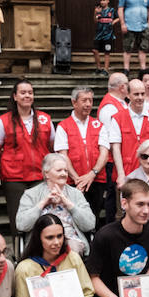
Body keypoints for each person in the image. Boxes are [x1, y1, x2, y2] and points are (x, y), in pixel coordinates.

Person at [0, 79, 53, 239]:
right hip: (14, 177)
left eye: (30, 93)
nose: (27, 96)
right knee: (18, 218)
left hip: (40, 176)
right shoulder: (4, 121)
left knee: (41, 216)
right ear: (15, 96)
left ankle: (39, 249)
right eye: (23, 93)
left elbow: (52, 145)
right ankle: (19, 249)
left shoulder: (45, 119)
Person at [16, 153, 96, 254]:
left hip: (70, 239)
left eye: (66, 170)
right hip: (41, 240)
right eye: (59, 170)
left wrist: (68, 204)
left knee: (72, 250)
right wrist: (43, 203)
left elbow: (89, 225)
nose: (64, 174)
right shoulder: (31, 194)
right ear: (46, 174)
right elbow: (22, 225)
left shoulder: (76, 194)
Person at [54, 86, 111, 221]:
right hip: (73, 182)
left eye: (90, 100)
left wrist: (92, 174)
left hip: (96, 180)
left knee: (94, 217)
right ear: (74, 102)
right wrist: (77, 179)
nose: (88, 104)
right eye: (84, 100)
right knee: (73, 218)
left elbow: (104, 153)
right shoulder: (63, 126)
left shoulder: (98, 125)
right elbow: (63, 155)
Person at [104, 78, 149, 184]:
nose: (140, 97)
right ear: (128, 95)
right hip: (128, 173)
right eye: (136, 94)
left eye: (142, 94)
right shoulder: (118, 118)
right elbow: (115, 148)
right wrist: (121, 174)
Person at [118, 0, 149, 71]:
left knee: (143, 48)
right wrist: (122, 24)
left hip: (143, 26)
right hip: (129, 26)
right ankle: (126, 69)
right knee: (127, 48)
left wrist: (148, 24)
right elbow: (120, 9)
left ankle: (143, 69)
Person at [92, 0, 118, 72]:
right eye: (101, 0)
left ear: (108, 1)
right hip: (99, 34)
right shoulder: (98, 10)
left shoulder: (112, 10)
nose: (102, 2)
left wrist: (113, 22)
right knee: (95, 50)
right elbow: (95, 21)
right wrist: (95, 13)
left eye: (104, 0)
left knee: (107, 52)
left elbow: (118, 17)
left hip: (108, 35)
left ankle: (106, 69)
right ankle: (99, 67)